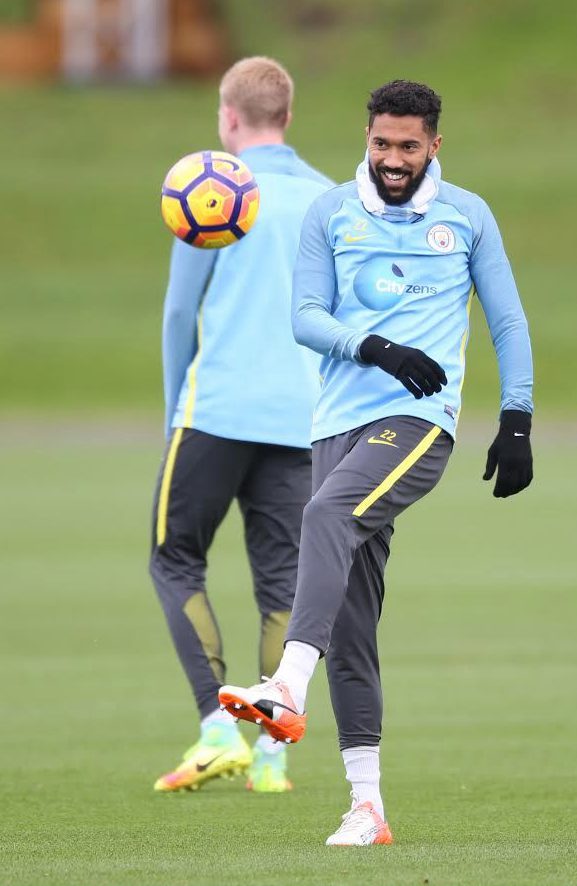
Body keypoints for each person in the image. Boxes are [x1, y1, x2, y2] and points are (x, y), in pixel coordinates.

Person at [219, 79, 534, 842]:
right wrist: (372, 346)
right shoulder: (331, 211)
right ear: (367, 138)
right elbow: (304, 316)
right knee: (350, 626)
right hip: (336, 424)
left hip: (418, 423)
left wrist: (516, 417)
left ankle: (285, 684)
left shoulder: (466, 216)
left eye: (408, 145)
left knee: (323, 512)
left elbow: (507, 319)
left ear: (434, 144)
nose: (392, 159)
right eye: (380, 144)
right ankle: (366, 806)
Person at [149, 56, 332, 795]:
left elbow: (176, 313)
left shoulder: (210, 192)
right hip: (300, 421)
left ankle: (215, 727)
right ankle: (273, 759)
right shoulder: (330, 201)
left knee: (174, 559)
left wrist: (173, 417)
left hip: (217, 412)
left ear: (228, 118)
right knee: (283, 584)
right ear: (287, 116)